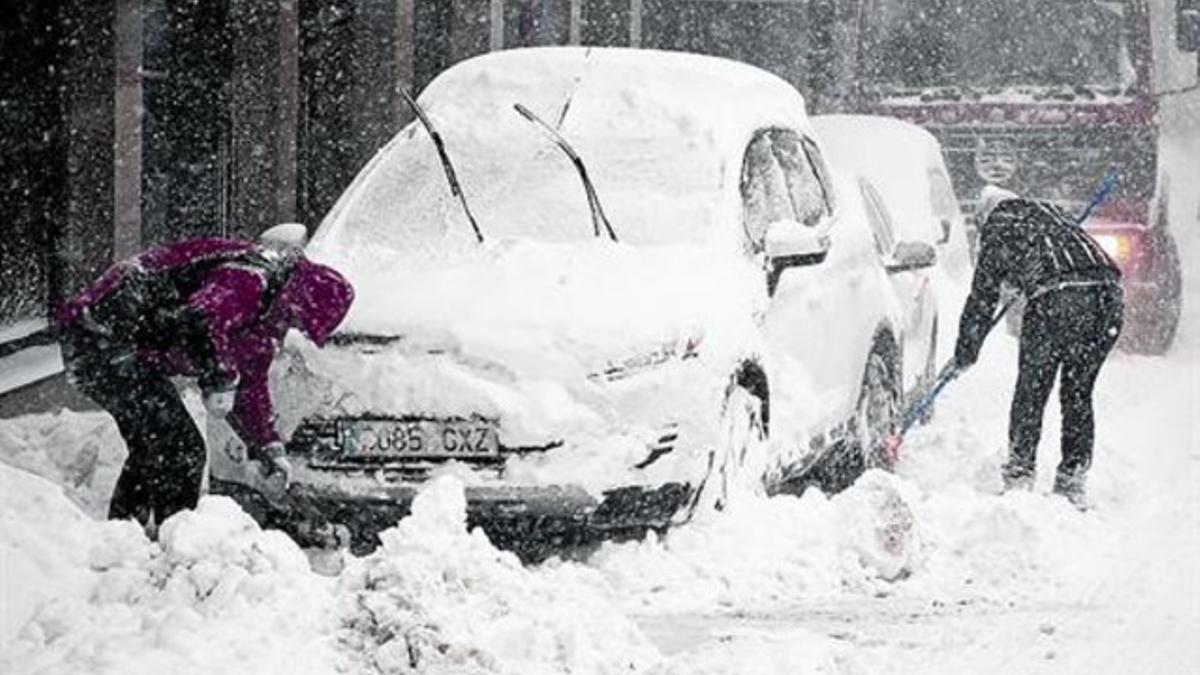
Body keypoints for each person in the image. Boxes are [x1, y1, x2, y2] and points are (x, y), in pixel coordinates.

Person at [57, 224, 354, 529]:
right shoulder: (250, 279)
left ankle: (124, 534)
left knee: (157, 445)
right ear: (299, 299)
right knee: (182, 449)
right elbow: (200, 321)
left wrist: (267, 446)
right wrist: (219, 377)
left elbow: (249, 385)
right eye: (300, 321)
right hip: (101, 334)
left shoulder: (266, 318)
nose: (296, 328)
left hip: (122, 346)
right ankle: (175, 540)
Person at [953, 186, 1123, 509]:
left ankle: (1019, 475)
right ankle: (1072, 479)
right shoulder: (1050, 212)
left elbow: (982, 300)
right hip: (1108, 297)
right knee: (1077, 391)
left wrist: (965, 354)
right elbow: (1056, 257)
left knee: (1032, 389)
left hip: (1058, 299)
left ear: (984, 217)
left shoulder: (998, 226)